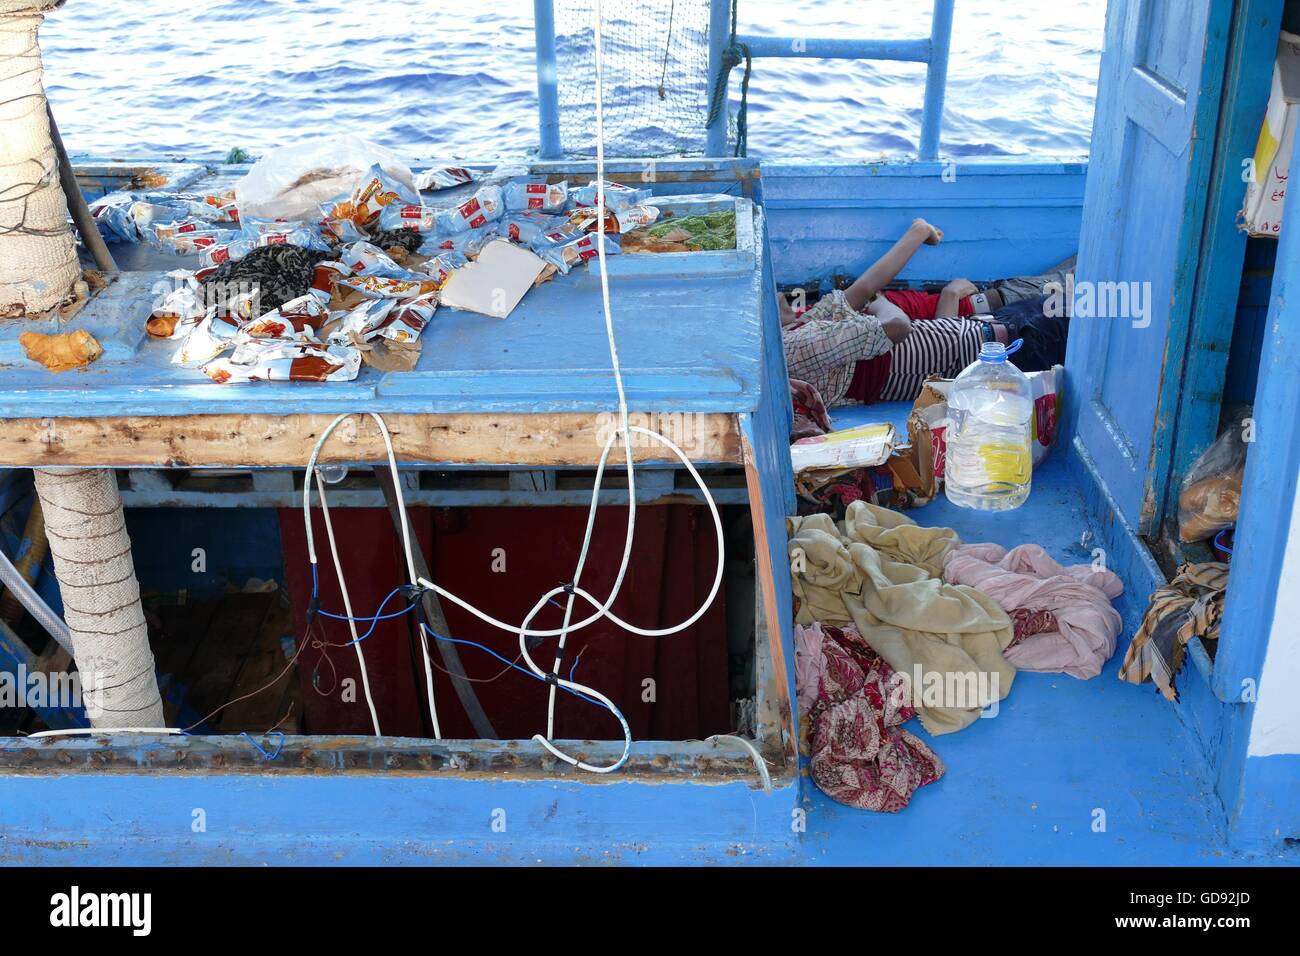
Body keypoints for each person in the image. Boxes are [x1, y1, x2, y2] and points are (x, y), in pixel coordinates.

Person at [781, 220, 1071, 406]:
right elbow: (897, 325)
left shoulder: (803, 326)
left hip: (990, 329)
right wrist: (876, 302)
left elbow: (939, 337)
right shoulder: (799, 347)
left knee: (1082, 302)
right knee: (1092, 312)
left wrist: (875, 297)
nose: (781, 295)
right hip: (1010, 345)